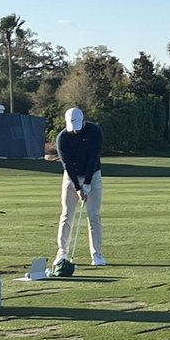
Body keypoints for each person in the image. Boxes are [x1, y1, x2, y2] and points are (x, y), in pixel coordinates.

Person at [55, 107, 106, 266]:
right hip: (71, 177)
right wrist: (78, 188)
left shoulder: (95, 131)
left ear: (83, 120)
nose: (75, 132)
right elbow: (67, 165)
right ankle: (62, 253)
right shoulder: (62, 138)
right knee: (67, 214)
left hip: (93, 174)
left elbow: (93, 158)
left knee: (94, 215)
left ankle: (97, 255)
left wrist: (88, 183)